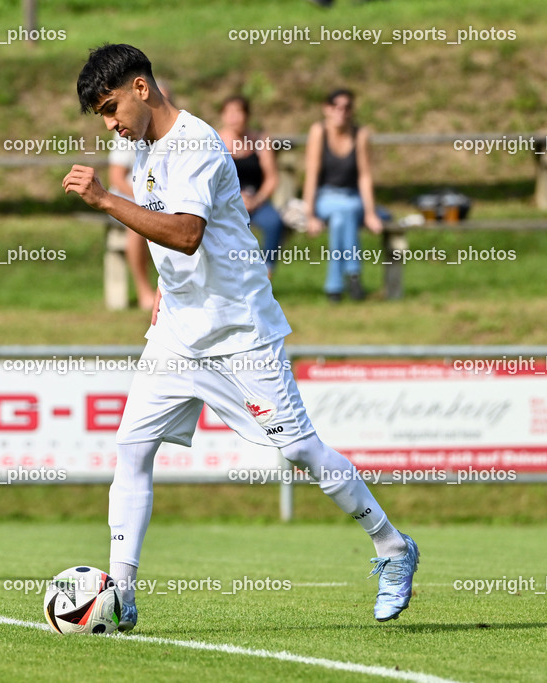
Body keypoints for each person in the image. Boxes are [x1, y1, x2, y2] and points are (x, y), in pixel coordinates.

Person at [62, 44, 417, 631]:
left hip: (241, 333)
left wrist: (105, 199)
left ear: (141, 88)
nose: (110, 124)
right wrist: (163, 302)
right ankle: (120, 594)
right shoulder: (145, 148)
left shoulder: (197, 144)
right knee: (131, 449)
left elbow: (184, 234)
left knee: (299, 451)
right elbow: (170, 252)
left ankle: (392, 547)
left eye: (111, 107)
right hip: (177, 337)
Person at [302, 88, 382, 301]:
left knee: (340, 219)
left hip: (352, 197)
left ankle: (334, 287)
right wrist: (309, 214)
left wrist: (371, 212)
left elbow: (365, 176)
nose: (341, 112)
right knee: (342, 212)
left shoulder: (360, 135)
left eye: (347, 107)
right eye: (336, 106)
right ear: (326, 108)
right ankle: (353, 275)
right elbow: (311, 173)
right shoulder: (319, 132)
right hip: (325, 197)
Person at [107, 80, 171, 310]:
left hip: (160, 200)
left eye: (164, 101)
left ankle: (168, 289)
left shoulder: (182, 134)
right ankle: (145, 290)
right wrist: (143, 199)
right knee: (138, 223)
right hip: (130, 196)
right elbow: (116, 177)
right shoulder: (126, 129)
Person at [216, 95, 287, 277]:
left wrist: (257, 199)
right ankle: (232, 274)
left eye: (238, 113)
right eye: (229, 113)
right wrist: (236, 199)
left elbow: (272, 178)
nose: (234, 118)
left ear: (247, 115)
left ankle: (266, 270)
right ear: (223, 116)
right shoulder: (214, 141)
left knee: (274, 222)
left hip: (257, 201)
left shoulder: (260, 140)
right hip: (227, 202)